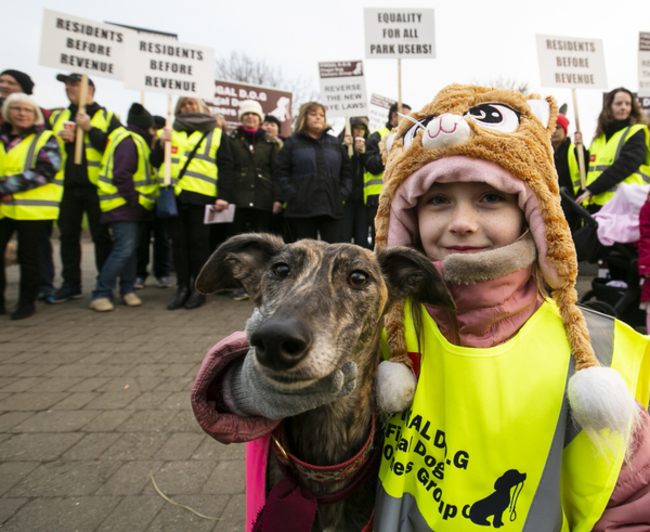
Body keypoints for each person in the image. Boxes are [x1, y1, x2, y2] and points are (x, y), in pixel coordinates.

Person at [191, 85, 650, 531]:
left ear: (533, 213)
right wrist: (251, 383)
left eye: (490, 197)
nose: (462, 223)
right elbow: (236, 380)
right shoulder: (392, 319)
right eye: (438, 201)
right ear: (409, 216)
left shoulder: (597, 356)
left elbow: (636, 504)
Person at [151, 96, 233, 310]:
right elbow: (154, 162)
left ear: (201, 107)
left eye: (192, 104)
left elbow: (226, 166)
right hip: (174, 197)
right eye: (184, 105)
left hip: (202, 197)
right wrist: (161, 143)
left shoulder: (215, 133)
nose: (188, 108)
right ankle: (182, 288)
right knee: (178, 245)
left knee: (199, 245)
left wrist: (223, 195)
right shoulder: (169, 132)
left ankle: (199, 289)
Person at [46, 73, 121, 304]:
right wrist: (60, 139)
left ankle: (103, 285)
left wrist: (90, 129)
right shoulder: (57, 116)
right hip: (65, 187)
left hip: (96, 188)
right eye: (66, 84)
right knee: (68, 236)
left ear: (90, 89)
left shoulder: (108, 118)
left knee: (101, 237)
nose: (69, 87)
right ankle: (71, 284)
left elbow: (116, 149)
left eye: (74, 83)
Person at [0, 93, 63, 319]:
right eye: (16, 108)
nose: (22, 113)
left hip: (31, 209)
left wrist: (5, 188)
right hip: (3, 208)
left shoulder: (46, 138)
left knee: (29, 256)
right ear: (8, 112)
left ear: (35, 114)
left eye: (27, 110)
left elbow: (46, 170)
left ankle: (26, 302)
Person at [90, 104, 158, 312]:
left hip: (127, 206)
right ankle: (101, 293)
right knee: (123, 250)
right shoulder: (130, 141)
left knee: (129, 251)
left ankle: (127, 290)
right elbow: (122, 175)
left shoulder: (128, 138)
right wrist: (135, 202)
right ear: (147, 126)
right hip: (123, 206)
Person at [273, 102, 352, 243]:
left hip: (331, 208)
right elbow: (280, 171)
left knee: (332, 253)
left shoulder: (335, 143)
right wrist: (292, 194)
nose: (318, 118)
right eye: (313, 114)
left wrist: (340, 195)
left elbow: (347, 172)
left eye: (322, 115)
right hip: (302, 209)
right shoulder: (292, 142)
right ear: (304, 117)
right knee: (305, 254)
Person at [227, 100, 282, 300]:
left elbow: (276, 172)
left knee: (262, 245)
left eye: (254, 115)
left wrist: (277, 198)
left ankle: (261, 284)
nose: (250, 117)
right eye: (247, 114)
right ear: (242, 117)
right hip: (238, 199)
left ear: (259, 118)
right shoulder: (231, 139)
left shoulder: (270, 143)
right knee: (239, 244)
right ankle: (239, 283)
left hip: (263, 199)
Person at [575, 87, 650, 212]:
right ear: (609, 107)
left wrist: (593, 189)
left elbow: (625, 165)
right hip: (598, 203)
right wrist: (580, 149)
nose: (624, 107)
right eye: (619, 103)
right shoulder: (599, 138)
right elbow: (590, 167)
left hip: (625, 206)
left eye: (628, 104)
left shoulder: (636, 132)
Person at [364, 102, 410, 247]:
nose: (410, 120)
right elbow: (371, 165)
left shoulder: (410, 135)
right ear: (394, 116)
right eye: (406, 116)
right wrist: (391, 152)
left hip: (403, 195)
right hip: (377, 197)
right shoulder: (376, 137)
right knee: (380, 241)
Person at [135, 114, 171, 289]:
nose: (156, 132)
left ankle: (162, 273)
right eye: (154, 129)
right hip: (145, 198)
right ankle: (140, 273)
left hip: (163, 198)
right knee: (142, 239)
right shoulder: (141, 144)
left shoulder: (169, 144)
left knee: (162, 239)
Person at [551, 112, 587, 232]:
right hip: (553, 206)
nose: (554, 131)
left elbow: (587, 167)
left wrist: (581, 148)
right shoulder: (545, 153)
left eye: (558, 127)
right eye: (551, 127)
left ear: (565, 131)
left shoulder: (575, 151)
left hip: (573, 205)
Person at [339, 116, 371, 248]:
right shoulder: (340, 145)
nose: (359, 131)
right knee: (344, 239)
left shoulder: (370, 145)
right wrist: (345, 148)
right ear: (350, 129)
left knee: (362, 240)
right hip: (346, 201)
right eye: (357, 127)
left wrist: (364, 154)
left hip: (363, 202)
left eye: (362, 128)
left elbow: (372, 166)